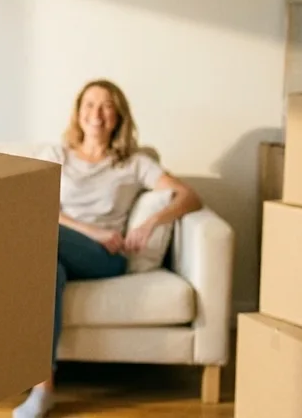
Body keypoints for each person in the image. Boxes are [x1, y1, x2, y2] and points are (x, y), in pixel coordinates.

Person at [13, 79, 203, 418]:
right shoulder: (57, 155)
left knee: (41, 240)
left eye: (106, 106)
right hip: (61, 244)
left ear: (118, 116)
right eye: (89, 104)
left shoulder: (134, 163)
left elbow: (189, 196)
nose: (96, 114)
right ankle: (44, 387)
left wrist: (151, 221)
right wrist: (92, 230)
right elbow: (34, 204)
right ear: (77, 112)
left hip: (106, 258)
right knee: (47, 269)